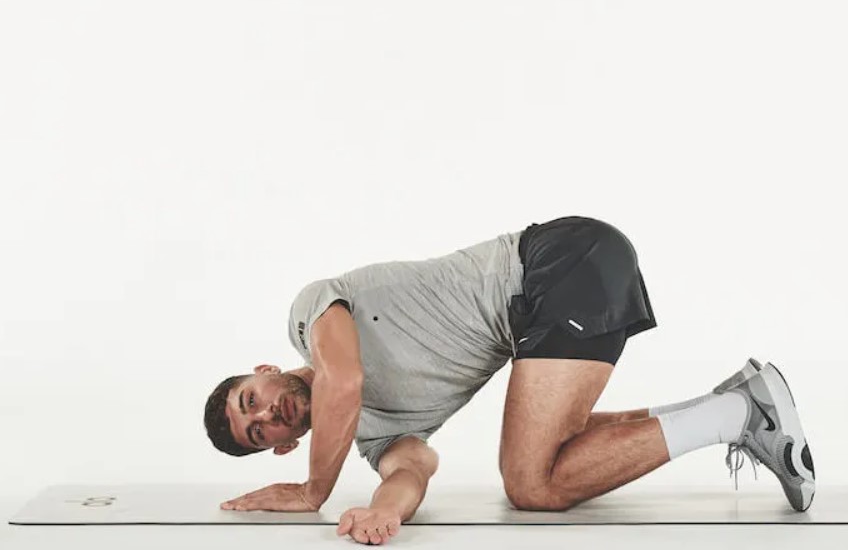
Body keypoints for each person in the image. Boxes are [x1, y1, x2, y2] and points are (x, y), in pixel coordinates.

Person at [204, 216, 815, 545]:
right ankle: (734, 403)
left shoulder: (310, 313)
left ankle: (739, 416)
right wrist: (381, 514)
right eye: (258, 433)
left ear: (264, 370)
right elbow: (412, 471)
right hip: (551, 302)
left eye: (250, 400)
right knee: (554, 454)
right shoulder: (371, 438)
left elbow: (345, 378)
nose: (266, 415)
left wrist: (315, 491)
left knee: (531, 482)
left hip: (550, 267)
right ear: (280, 446)